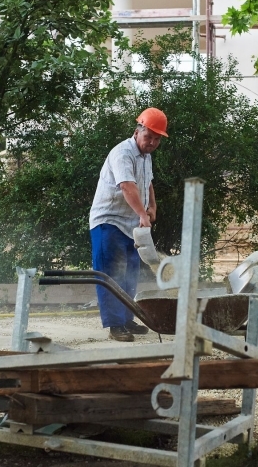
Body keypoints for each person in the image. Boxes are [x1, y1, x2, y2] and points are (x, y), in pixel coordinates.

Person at [89, 108, 168, 342]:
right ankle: (115, 326)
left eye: (157, 139)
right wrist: (143, 215)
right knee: (111, 273)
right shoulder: (123, 153)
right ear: (137, 132)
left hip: (131, 223)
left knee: (130, 273)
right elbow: (127, 186)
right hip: (109, 221)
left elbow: (148, 183)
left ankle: (126, 319)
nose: (152, 142)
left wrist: (152, 206)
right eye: (148, 137)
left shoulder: (146, 157)